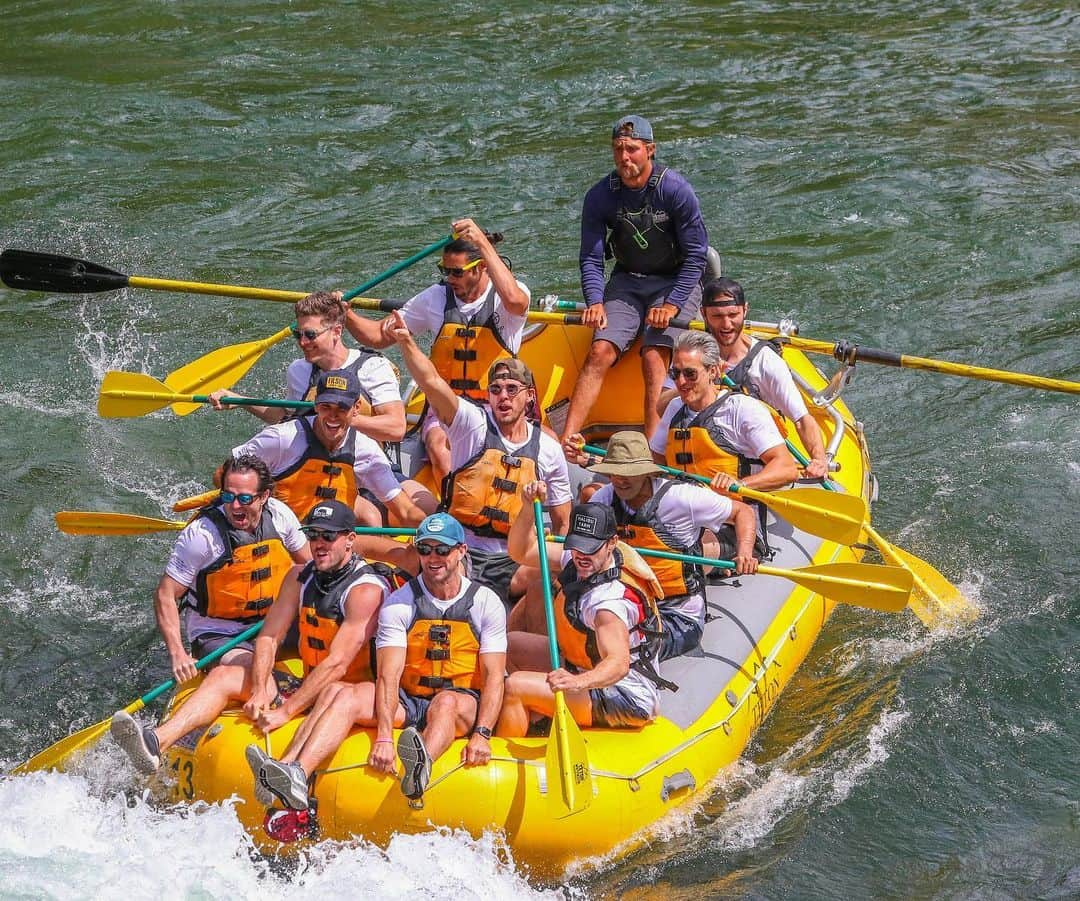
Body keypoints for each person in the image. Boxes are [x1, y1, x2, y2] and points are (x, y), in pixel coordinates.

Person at [109, 454, 311, 774]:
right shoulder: (202, 535)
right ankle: (155, 743)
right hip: (221, 633)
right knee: (237, 671)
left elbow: (309, 567)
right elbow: (165, 594)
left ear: (264, 496)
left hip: (274, 623)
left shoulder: (281, 516)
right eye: (228, 497)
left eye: (245, 498)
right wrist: (177, 653)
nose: (235, 507)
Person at [385, 312, 572, 607]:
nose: (503, 397)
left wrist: (561, 574)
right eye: (496, 390)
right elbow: (432, 381)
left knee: (558, 575)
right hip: (461, 551)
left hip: (513, 560)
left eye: (512, 390)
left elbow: (562, 522)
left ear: (530, 397)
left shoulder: (548, 449)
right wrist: (406, 342)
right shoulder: (471, 424)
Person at [346, 218, 530, 484]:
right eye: (445, 270)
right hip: (447, 406)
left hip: (496, 404)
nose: (449, 278)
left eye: (457, 272)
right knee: (438, 445)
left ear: (481, 267)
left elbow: (515, 302)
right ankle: (453, 511)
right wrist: (347, 313)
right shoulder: (435, 297)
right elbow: (377, 336)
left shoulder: (509, 294)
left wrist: (481, 241)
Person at [562, 114, 708, 442]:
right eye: (618, 150)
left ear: (650, 149)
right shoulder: (600, 195)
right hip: (627, 281)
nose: (624, 158)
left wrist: (672, 306)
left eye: (632, 149)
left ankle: (652, 449)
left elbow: (697, 256)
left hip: (674, 281)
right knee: (599, 350)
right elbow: (590, 256)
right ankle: (566, 443)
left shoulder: (675, 190)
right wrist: (595, 301)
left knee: (654, 355)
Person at [241, 500, 392, 813]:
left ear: (350, 539)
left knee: (338, 692)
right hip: (313, 683)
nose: (319, 544)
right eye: (313, 535)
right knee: (226, 674)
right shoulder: (300, 576)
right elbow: (269, 636)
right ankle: (156, 744)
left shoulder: (366, 590)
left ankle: (290, 769)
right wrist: (259, 689)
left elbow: (338, 663)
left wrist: (287, 711)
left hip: (360, 690)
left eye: (329, 536)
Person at [564, 430, 759, 660]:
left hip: (678, 614)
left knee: (616, 648)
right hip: (626, 604)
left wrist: (745, 551)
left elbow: (742, 511)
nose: (619, 480)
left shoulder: (682, 498)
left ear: (646, 473)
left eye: (628, 473)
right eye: (614, 473)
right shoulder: (603, 500)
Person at [498, 486, 667, 736]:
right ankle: (539, 718)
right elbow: (521, 552)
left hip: (624, 694)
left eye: (591, 548)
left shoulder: (608, 605)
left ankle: (507, 757)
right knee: (512, 645)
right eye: (577, 546)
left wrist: (577, 683)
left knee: (515, 687)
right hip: (584, 667)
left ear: (612, 543)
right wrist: (526, 509)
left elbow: (618, 664)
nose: (582, 556)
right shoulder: (581, 560)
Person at [366, 512, 507, 800]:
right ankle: (296, 772)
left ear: (461, 551)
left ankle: (419, 771)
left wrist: (482, 734)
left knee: (445, 702)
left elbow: (494, 676)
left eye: (442, 550)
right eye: (425, 549)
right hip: (411, 699)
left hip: (463, 701)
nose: (433, 558)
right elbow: (388, 675)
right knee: (347, 695)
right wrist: (382, 736)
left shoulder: (485, 602)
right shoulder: (399, 604)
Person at [651, 330, 800, 558]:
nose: (681, 382)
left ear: (713, 371)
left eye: (690, 374)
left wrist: (740, 483)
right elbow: (655, 463)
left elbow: (787, 468)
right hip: (680, 512)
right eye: (676, 373)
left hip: (731, 522)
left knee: (689, 547)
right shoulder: (674, 409)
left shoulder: (741, 409)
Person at [226, 368, 432, 527]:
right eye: (326, 407)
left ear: (356, 409)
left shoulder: (366, 451)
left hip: (333, 544)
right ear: (316, 405)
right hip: (283, 538)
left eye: (342, 408)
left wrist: (436, 535)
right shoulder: (282, 439)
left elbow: (405, 512)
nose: (333, 417)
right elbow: (222, 475)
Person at [209, 291, 406, 446]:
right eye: (298, 334)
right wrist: (240, 400)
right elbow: (286, 419)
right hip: (314, 462)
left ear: (336, 331)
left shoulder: (372, 367)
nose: (303, 342)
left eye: (310, 334)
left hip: (365, 465)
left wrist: (335, 417)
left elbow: (396, 429)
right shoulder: (299, 370)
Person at [700, 278, 829, 479]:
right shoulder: (693, 357)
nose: (726, 324)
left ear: (745, 310)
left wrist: (819, 460)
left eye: (733, 315)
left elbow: (802, 420)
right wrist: (699, 381)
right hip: (703, 464)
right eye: (717, 316)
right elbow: (664, 407)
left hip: (749, 469)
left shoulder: (766, 362)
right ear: (703, 314)